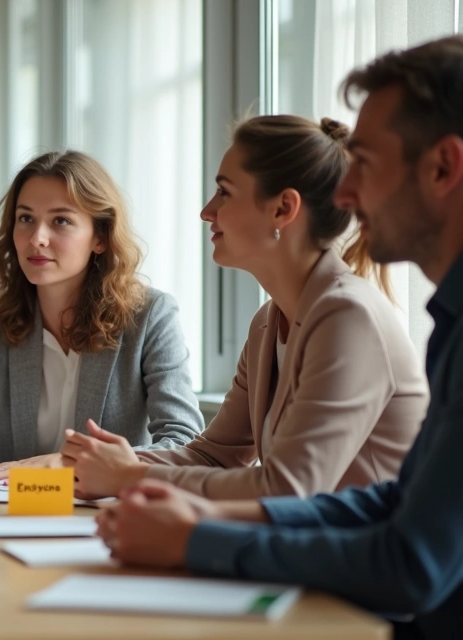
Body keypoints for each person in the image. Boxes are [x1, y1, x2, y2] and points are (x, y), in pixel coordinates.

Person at [97, 36, 463, 640]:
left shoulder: (354, 318)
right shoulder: (446, 323)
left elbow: (407, 561)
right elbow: (391, 505)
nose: (344, 197)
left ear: (443, 168)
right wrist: (198, 517)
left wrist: (194, 530)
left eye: (365, 165)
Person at [62, 116, 427, 500]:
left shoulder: (349, 317)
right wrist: (104, 465)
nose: (207, 210)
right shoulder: (267, 323)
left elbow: (288, 487)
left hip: (369, 556)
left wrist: (129, 477)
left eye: (224, 192)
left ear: (283, 209)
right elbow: (214, 456)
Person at [0, 150, 203, 487]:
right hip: (14, 516)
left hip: (111, 519)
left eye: (61, 221)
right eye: (26, 218)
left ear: (100, 237)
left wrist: (71, 464)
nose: (37, 238)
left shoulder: (150, 317)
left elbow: (184, 443)